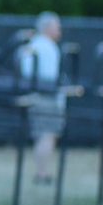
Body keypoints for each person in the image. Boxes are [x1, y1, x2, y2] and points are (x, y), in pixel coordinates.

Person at [17, 12, 65, 185]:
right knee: (48, 134)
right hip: (47, 97)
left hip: (36, 95)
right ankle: (42, 174)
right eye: (57, 26)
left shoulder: (33, 45)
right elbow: (50, 77)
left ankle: (41, 172)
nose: (60, 30)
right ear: (47, 28)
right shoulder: (47, 47)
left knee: (42, 135)